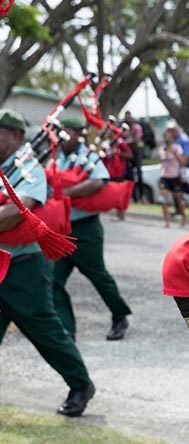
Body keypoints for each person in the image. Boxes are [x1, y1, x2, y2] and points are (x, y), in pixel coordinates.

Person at [0, 108, 96, 417]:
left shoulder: (29, 169)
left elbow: (20, 210)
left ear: (15, 136)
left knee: (46, 331)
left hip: (23, 266)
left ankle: (81, 384)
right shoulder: (4, 168)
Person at [53, 116, 132, 341]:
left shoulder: (87, 156)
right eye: (63, 132)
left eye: (70, 132)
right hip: (62, 227)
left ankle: (120, 316)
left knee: (98, 276)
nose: (64, 137)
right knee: (53, 281)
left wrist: (67, 192)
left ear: (79, 133)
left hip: (86, 227)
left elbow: (99, 181)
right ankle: (68, 329)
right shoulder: (55, 155)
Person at [159, 127, 187, 227]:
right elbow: (163, 158)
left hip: (175, 177)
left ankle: (183, 219)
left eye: (169, 136)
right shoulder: (162, 148)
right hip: (165, 177)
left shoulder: (177, 147)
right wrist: (168, 150)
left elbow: (183, 161)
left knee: (179, 200)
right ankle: (167, 222)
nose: (167, 138)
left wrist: (175, 152)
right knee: (163, 199)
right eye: (166, 136)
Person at [102, 135, 132, 221]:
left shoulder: (120, 142)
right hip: (109, 172)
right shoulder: (105, 143)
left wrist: (118, 153)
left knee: (121, 194)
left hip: (119, 172)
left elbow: (129, 155)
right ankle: (115, 214)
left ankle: (121, 215)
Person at [123, 111, 145, 202]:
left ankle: (142, 196)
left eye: (129, 118)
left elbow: (136, 139)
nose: (128, 120)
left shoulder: (136, 127)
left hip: (137, 151)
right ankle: (134, 197)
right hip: (128, 152)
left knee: (139, 173)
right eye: (126, 118)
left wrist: (126, 141)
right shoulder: (124, 129)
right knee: (130, 175)